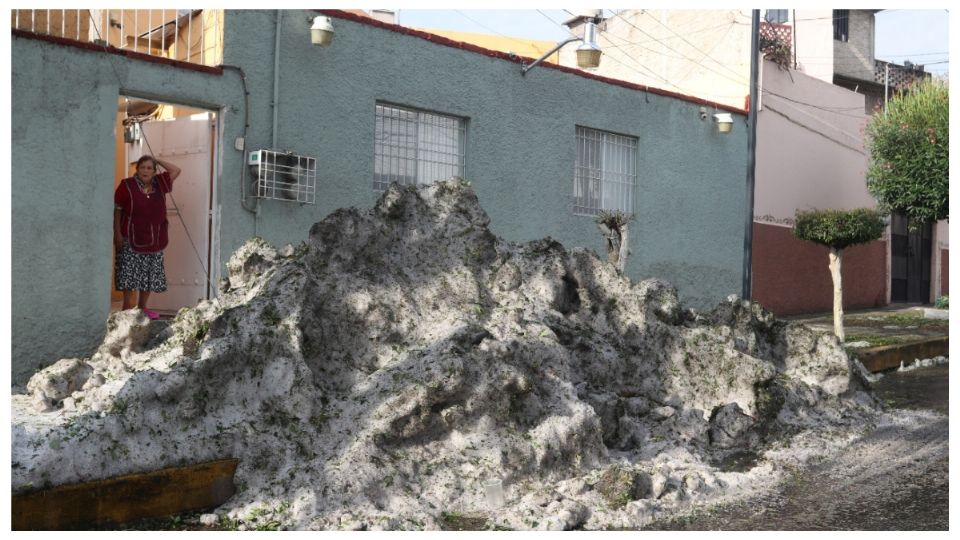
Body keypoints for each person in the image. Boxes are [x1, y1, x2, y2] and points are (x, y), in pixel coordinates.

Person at [113, 155, 182, 319]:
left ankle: (142, 309)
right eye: (142, 167)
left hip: (154, 240)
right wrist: (117, 234)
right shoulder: (127, 186)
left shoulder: (160, 183)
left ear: (154, 171)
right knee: (129, 280)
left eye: (150, 168)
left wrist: (157, 159)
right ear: (137, 169)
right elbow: (117, 210)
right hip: (130, 240)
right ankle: (126, 315)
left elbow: (176, 170)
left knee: (149, 278)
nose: (146, 171)